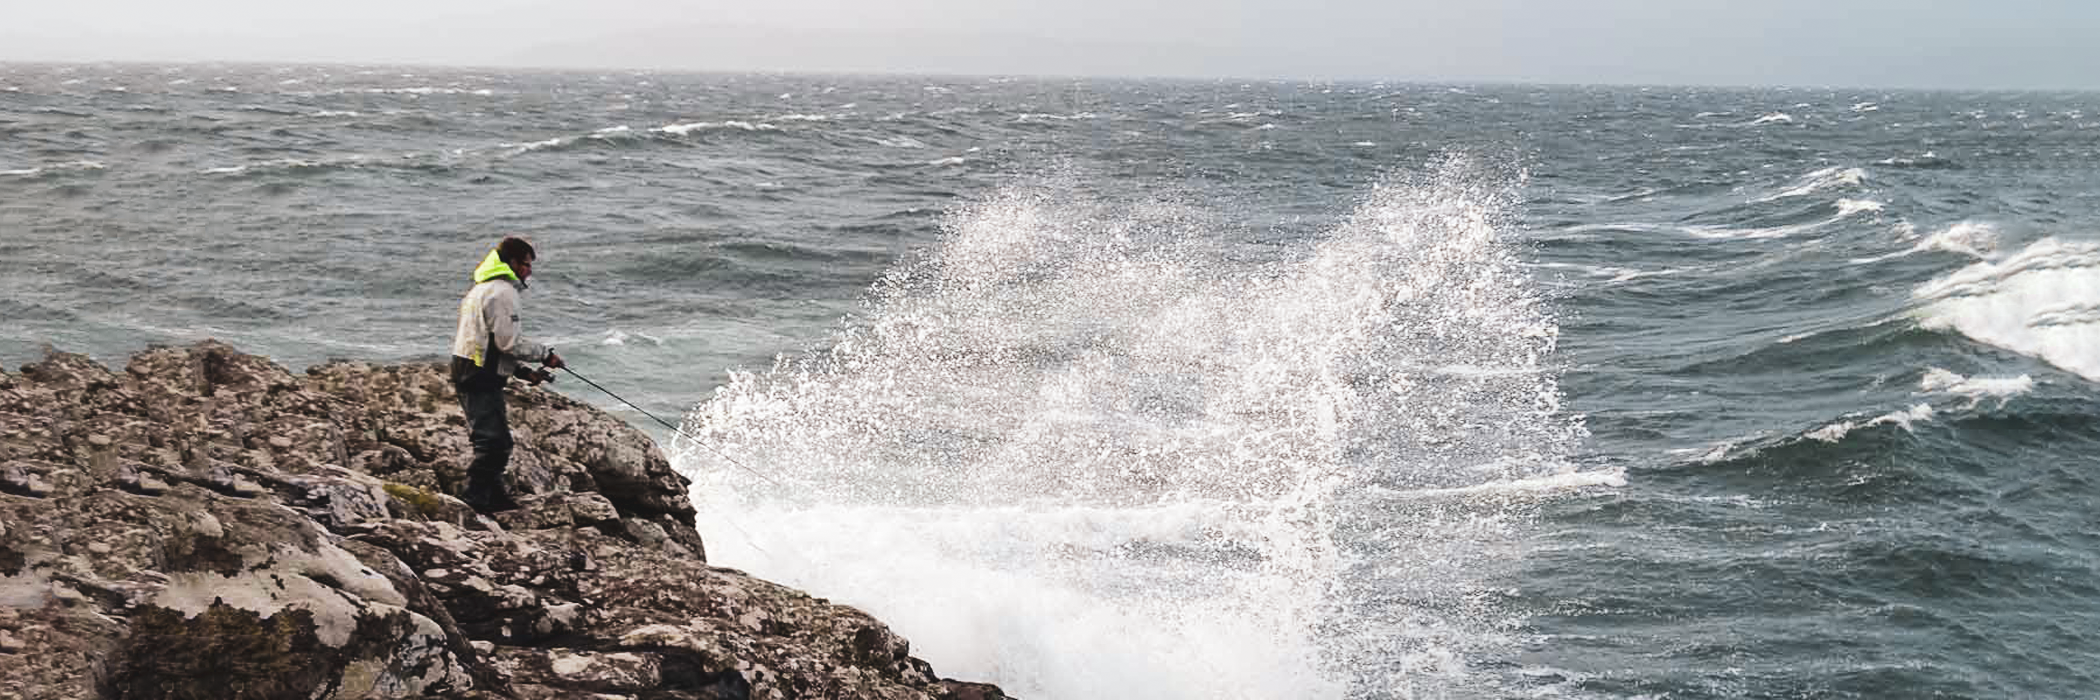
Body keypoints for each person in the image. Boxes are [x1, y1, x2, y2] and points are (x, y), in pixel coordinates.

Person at [450, 236, 564, 513]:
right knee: (494, 442)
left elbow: (487, 343)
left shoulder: (483, 288)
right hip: (479, 374)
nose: (529, 271)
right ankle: (474, 501)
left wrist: (523, 372)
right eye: (526, 264)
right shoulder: (503, 293)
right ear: (512, 262)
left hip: (470, 367)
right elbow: (507, 343)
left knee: (493, 438)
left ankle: (496, 498)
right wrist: (545, 355)